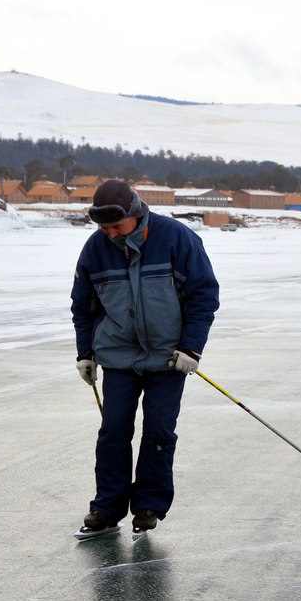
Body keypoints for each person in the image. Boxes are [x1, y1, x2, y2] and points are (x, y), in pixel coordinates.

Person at [70, 180, 220, 534]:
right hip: (119, 357)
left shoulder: (176, 239)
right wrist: (85, 353)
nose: (110, 234)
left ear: (135, 215)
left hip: (169, 359)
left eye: (116, 227)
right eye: (103, 228)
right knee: (113, 432)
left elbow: (203, 296)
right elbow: (84, 306)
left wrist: (191, 347)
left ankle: (149, 505)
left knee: (159, 431)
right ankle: (106, 509)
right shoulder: (95, 249)